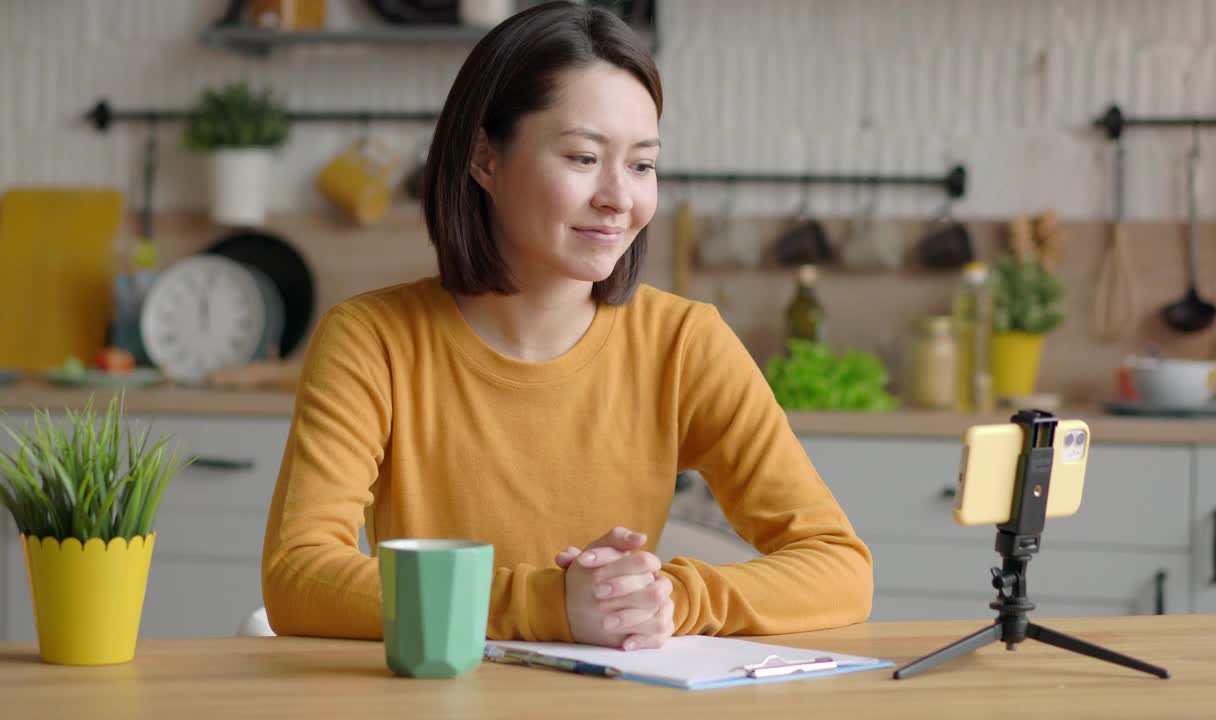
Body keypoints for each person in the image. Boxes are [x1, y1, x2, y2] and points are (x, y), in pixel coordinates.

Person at [262, 0, 872, 652]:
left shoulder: (683, 343)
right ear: (485, 161)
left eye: (641, 164)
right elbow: (298, 574)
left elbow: (839, 566)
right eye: (584, 158)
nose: (619, 197)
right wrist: (549, 604)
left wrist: (670, 599)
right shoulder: (371, 341)